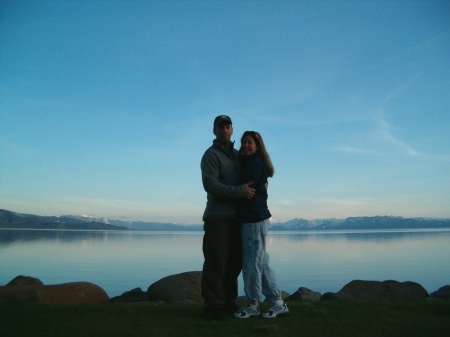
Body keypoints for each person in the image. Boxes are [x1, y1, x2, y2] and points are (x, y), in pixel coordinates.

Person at [200, 115, 256, 320]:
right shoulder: (211, 155)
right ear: (214, 131)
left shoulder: (236, 154)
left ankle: (229, 302)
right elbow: (210, 185)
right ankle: (213, 306)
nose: (225, 131)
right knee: (216, 262)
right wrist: (239, 192)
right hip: (218, 217)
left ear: (232, 130)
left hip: (237, 218)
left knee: (233, 263)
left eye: (228, 127)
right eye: (220, 127)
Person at [233, 130, 289, 319]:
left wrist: (229, 191)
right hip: (256, 219)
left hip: (253, 220)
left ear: (257, 146)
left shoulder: (254, 165)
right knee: (261, 262)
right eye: (243, 142)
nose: (246, 145)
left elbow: (245, 189)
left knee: (251, 263)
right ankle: (278, 301)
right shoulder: (252, 163)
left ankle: (253, 304)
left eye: (250, 142)